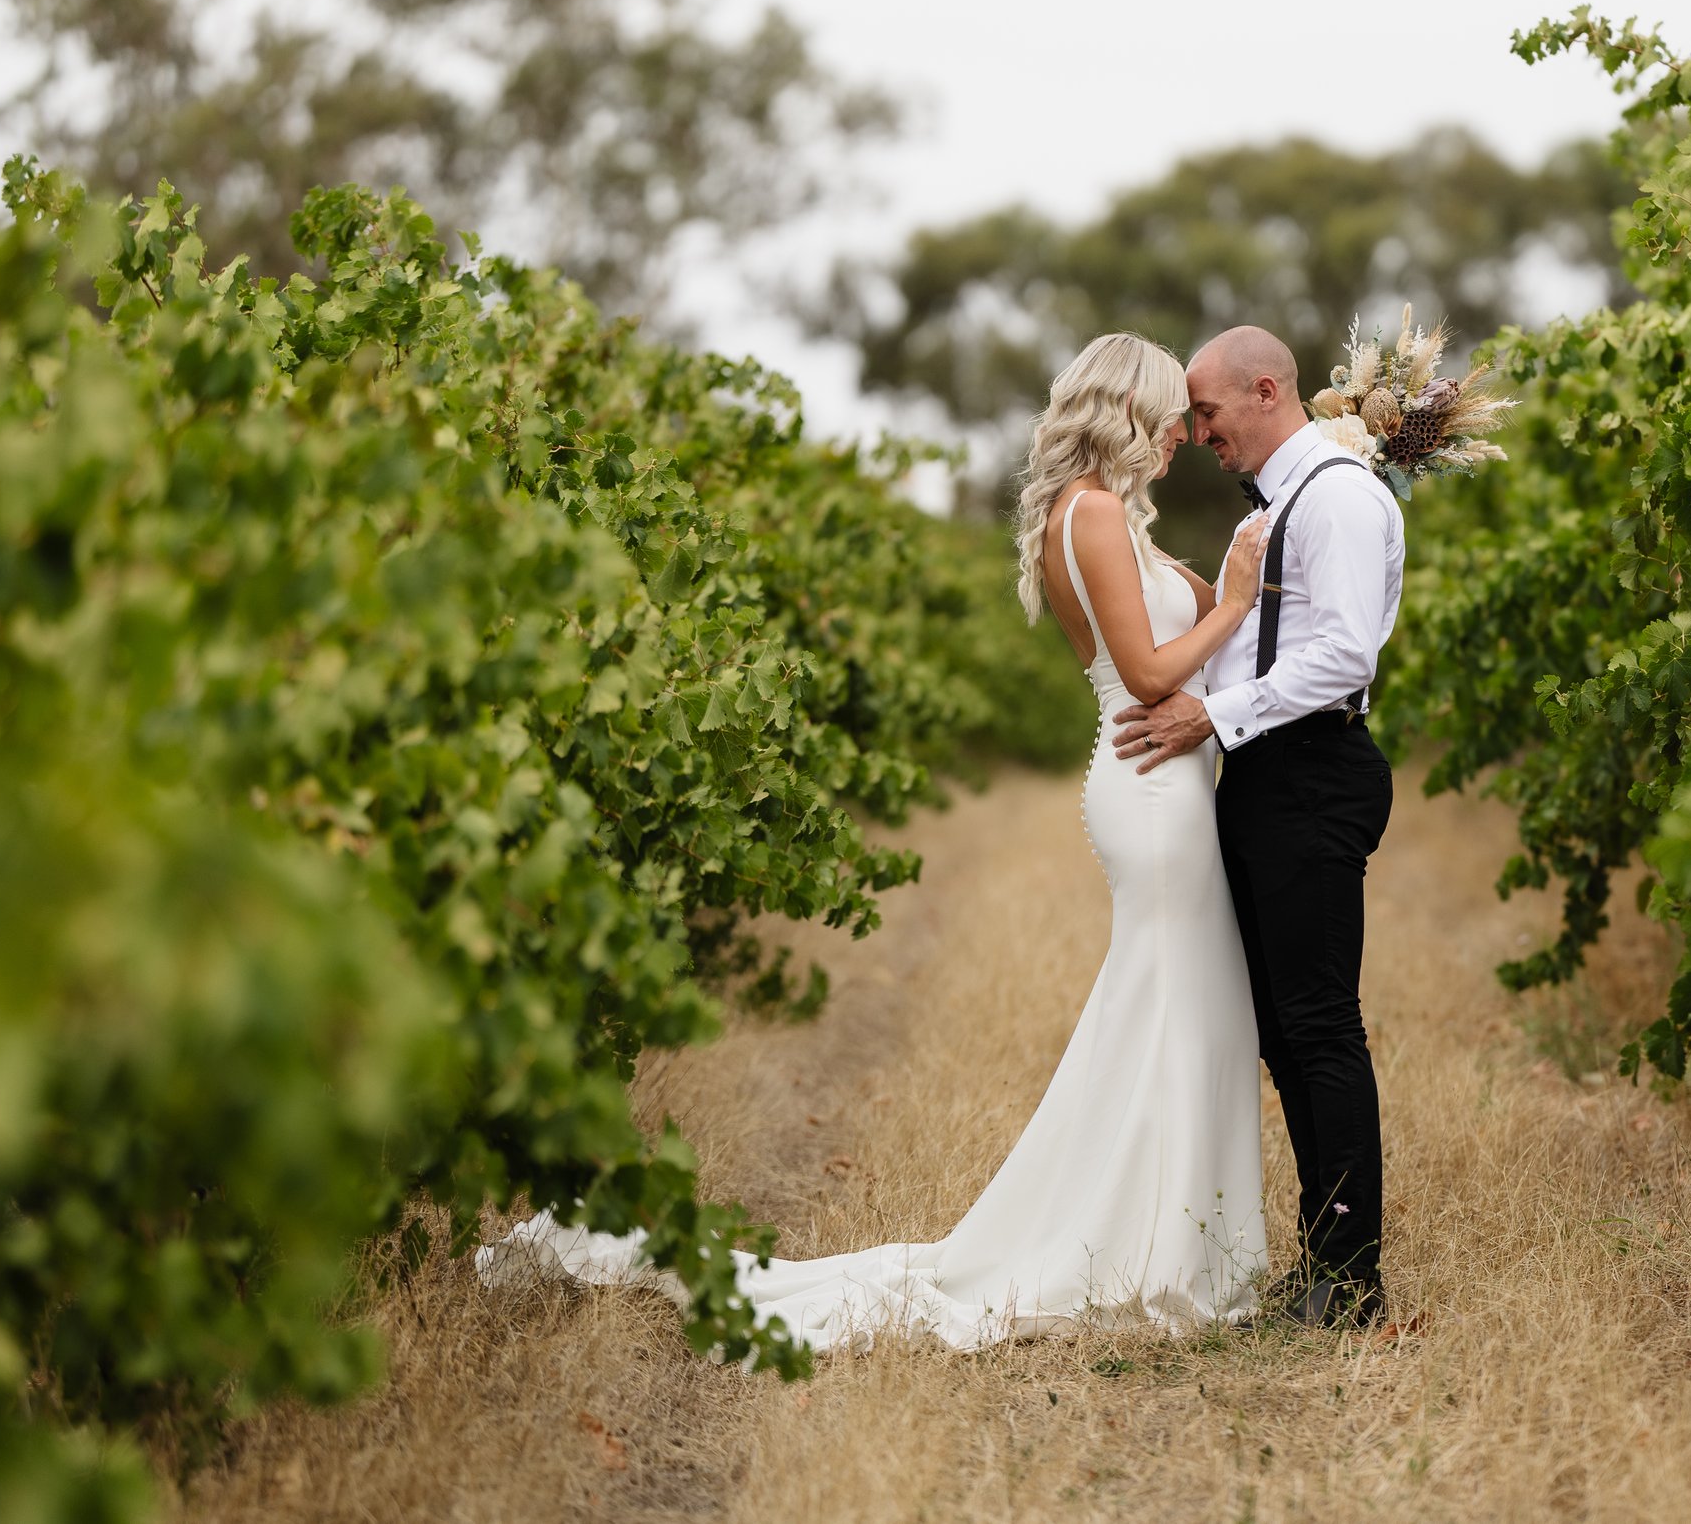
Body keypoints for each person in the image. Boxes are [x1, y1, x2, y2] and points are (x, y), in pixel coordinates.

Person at [476, 333, 1277, 1351]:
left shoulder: (1108, 516)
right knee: (1172, 1004)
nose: (1179, 434)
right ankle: (1154, 1249)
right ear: (1127, 409)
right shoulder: (1094, 512)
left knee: (1180, 1008)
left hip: (1161, 785)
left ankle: (1171, 1239)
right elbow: (1154, 670)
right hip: (1153, 787)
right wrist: (1237, 598)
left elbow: (1192, 646)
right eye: (1170, 414)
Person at [1114, 325, 1405, 1328]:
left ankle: (1352, 1277)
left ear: (1266, 388)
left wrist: (1211, 714)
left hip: (1314, 768)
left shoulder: (1337, 497)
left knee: (1320, 1025)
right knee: (1283, 1029)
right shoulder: (1284, 499)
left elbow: (1344, 651)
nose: (1197, 432)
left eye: (1207, 411)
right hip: (1270, 769)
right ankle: (1320, 1256)